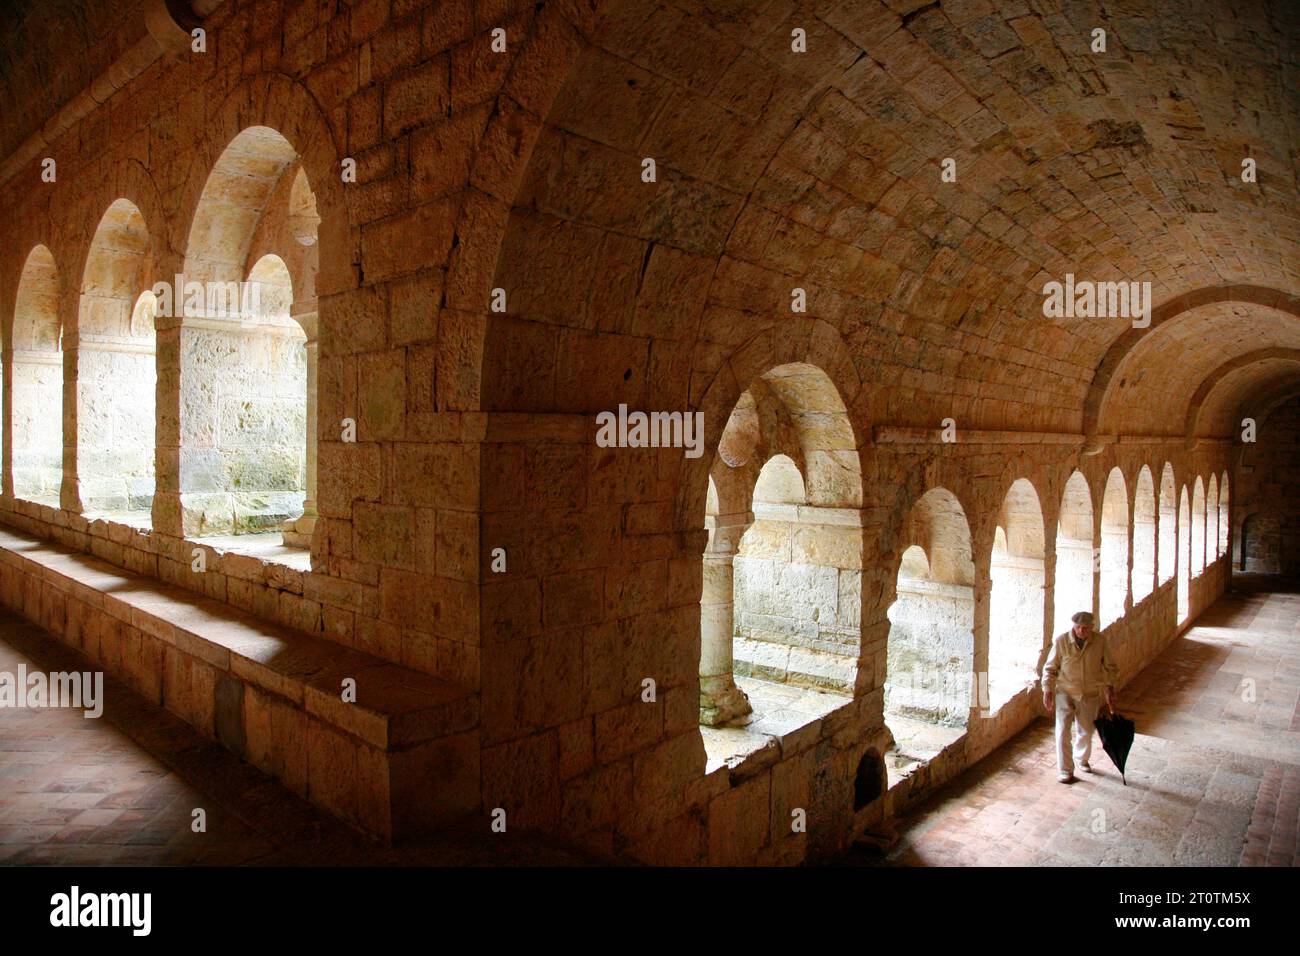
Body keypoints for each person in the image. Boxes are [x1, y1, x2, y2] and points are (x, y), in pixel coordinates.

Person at [1041, 611, 1118, 783]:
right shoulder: (1061, 642)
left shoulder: (1100, 642)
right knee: (1062, 731)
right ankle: (1065, 770)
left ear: (1092, 628)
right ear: (1073, 626)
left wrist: (1110, 688)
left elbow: (1110, 667)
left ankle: (1081, 758)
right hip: (1065, 693)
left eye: (1085, 628)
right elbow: (1050, 668)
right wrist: (1047, 689)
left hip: (1089, 693)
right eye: (1077, 627)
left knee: (1086, 731)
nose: (1081, 631)